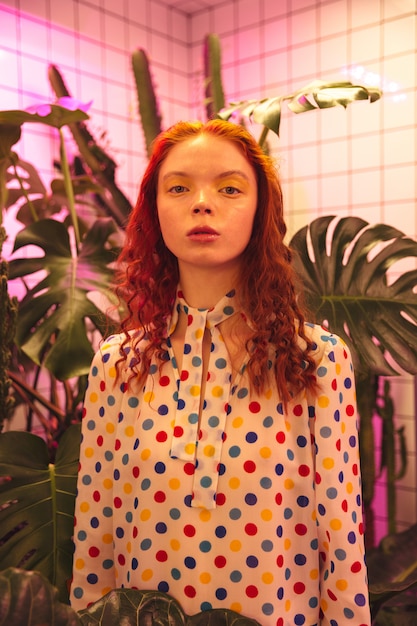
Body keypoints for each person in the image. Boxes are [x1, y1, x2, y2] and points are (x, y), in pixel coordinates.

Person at [70, 119, 370, 626]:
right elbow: (94, 535)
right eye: (179, 187)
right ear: (154, 211)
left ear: (261, 210)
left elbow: (340, 539)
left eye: (229, 188)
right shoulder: (118, 364)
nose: (202, 202)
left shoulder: (316, 359)